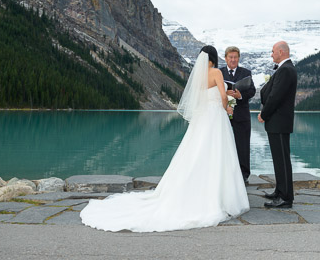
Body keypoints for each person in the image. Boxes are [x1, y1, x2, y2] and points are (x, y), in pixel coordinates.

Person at [80, 46, 249, 232]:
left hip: (203, 119)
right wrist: (227, 107)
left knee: (196, 152)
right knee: (218, 153)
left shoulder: (199, 77)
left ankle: (191, 190)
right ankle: (219, 196)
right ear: (215, 58)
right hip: (216, 117)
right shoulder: (216, 72)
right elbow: (223, 97)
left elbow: (199, 99)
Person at [257, 41, 297, 208]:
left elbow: (275, 97)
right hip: (277, 123)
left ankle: (286, 197)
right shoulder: (284, 69)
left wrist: (263, 114)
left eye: (273, 51)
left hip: (279, 122)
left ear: (281, 52)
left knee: (282, 160)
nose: (271, 54)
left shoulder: (286, 70)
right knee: (278, 159)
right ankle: (280, 191)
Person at [220, 46, 256, 184]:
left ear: (239, 58)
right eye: (231, 57)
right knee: (224, 144)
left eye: (235, 57)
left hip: (242, 115)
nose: (233, 60)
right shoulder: (219, 72)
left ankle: (244, 175)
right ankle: (226, 173)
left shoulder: (246, 72)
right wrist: (224, 94)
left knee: (243, 145)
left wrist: (241, 95)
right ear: (226, 58)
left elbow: (252, 91)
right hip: (223, 115)